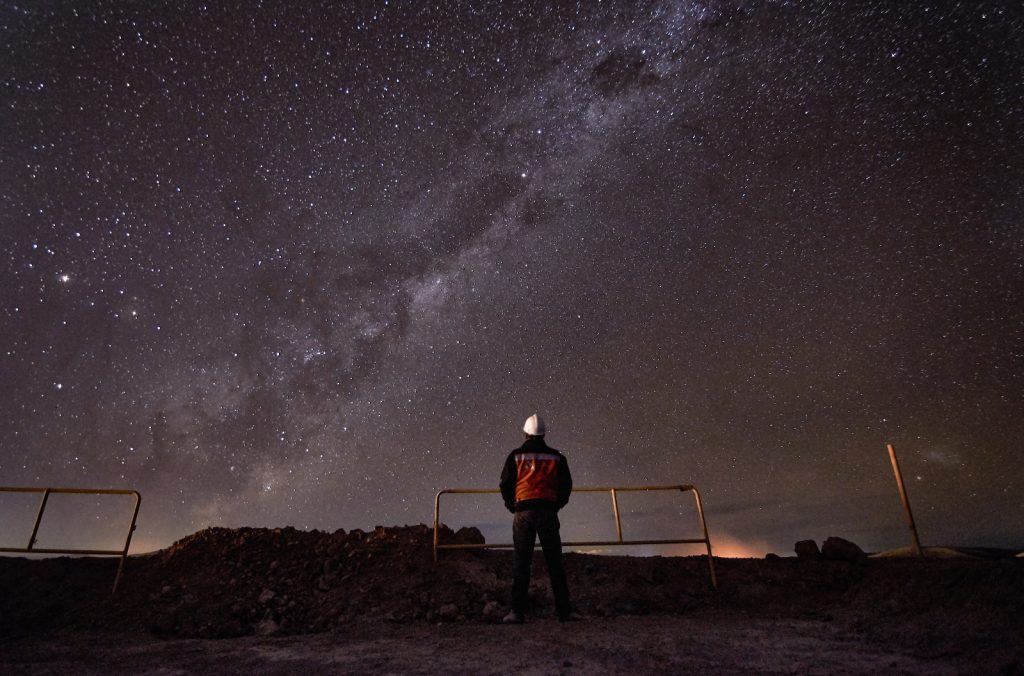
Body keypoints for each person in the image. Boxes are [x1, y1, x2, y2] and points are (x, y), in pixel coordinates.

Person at [499, 413, 574, 623]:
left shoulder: (516, 456)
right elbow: (566, 485)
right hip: (548, 512)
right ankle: (564, 612)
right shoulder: (557, 457)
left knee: (522, 563)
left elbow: (505, 484)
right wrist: (555, 505)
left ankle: (517, 612)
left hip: (523, 513)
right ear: (543, 434)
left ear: (525, 434)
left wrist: (513, 506)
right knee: (555, 562)